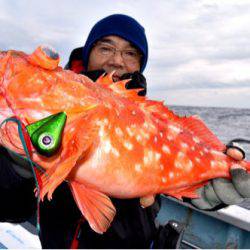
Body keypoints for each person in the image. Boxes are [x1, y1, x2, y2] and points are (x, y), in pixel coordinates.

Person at [0, 14, 249, 249]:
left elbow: (188, 171)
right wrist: (17, 167)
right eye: (106, 48)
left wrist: (212, 186)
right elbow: (8, 208)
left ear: (140, 65)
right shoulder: (46, 108)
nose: (117, 60)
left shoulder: (159, 125)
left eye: (130, 53)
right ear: (87, 55)